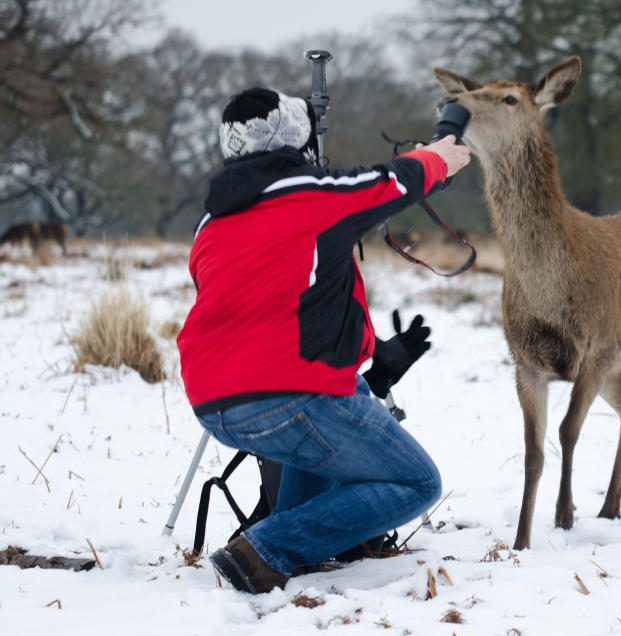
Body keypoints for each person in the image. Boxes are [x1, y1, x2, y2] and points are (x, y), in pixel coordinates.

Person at [176, 87, 470, 593]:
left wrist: (374, 360)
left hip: (212, 401)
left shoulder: (210, 224)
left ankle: (288, 546)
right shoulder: (311, 195)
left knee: (338, 400)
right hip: (287, 398)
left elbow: (283, 308)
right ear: (298, 142)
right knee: (418, 482)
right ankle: (265, 550)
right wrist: (444, 147)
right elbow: (397, 179)